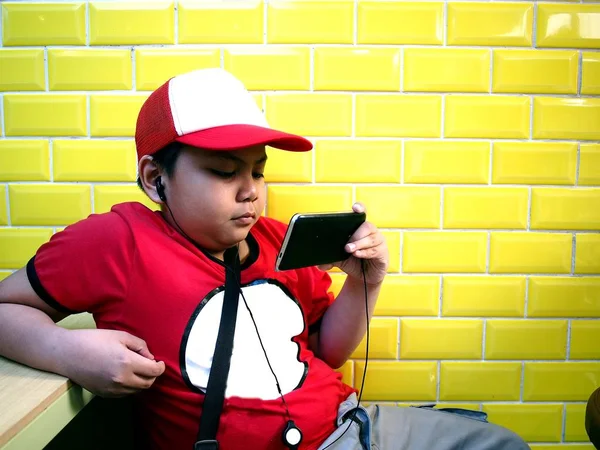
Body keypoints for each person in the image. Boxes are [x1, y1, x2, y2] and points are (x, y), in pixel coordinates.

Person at [0, 68, 529, 450]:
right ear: (155, 178)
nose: (250, 191)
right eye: (225, 172)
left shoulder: (280, 241)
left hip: (343, 426)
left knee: (503, 445)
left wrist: (365, 283)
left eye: (257, 170)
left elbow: (328, 351)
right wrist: (65, 351)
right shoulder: (117, 241)